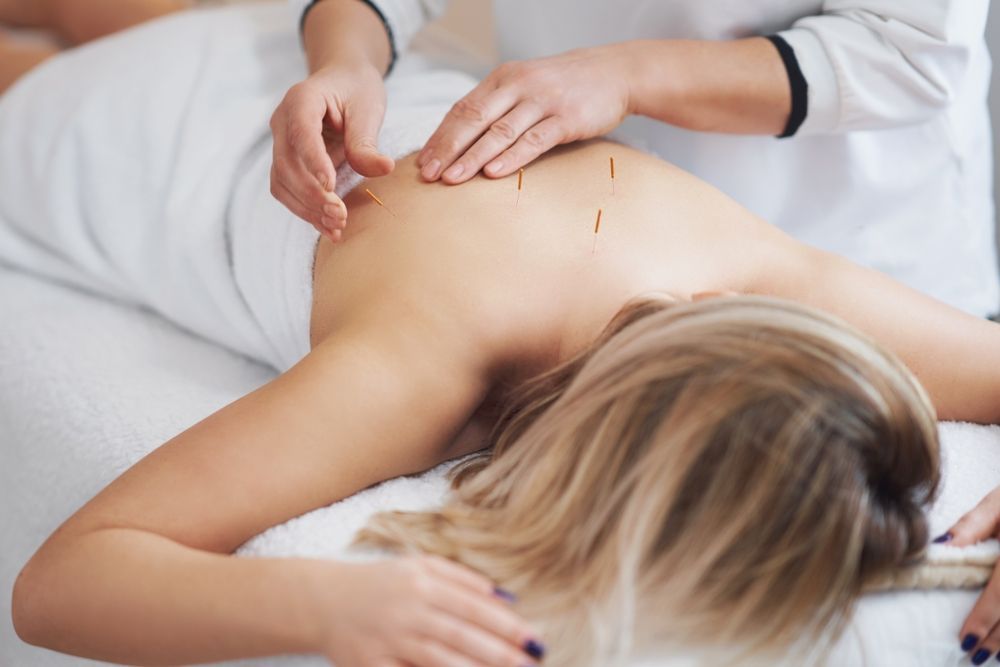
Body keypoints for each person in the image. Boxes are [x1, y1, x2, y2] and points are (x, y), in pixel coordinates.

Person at [1, 3, 997, 665]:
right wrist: (329, 607)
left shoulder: (760, 277)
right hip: (150, 147)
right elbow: (61, 581)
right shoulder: (429, 365)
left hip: (344, 84)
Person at [273, 0, 999, 320]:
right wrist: (344, 61)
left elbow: (914, 49)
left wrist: (628, 74)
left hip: (859, 242)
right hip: (608, 275)